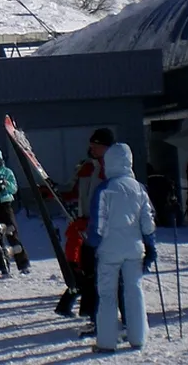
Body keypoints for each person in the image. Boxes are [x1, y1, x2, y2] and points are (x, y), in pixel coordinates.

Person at [86, 142, 156, 353]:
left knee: (107, 295)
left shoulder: (105, 189)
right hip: (134, 249)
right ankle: (138, 337)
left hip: (109, 250)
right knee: (134, 292)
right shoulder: (139, 189)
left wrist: (91, 247)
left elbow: (98, 224)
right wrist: (150, 246)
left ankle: (106, 341)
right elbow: (148, 221)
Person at [62, 128, 113, 327]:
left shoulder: (111, 170)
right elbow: (74, 191)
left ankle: (100, 315)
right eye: (91, 145)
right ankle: (90, 312)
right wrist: (55, 192)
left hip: (102, 229)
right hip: (85, 226)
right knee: (85, 269)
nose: (91, 149)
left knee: (99, 273)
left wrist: (93, 221)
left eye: (96, 146)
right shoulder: (87, 168)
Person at [0, 147, 30, 273]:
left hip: (6, 205)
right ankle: (1, 265)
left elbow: (14, 189)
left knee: (12, 233)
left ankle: (23, 263)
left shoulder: (8, 172)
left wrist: (5, 184)